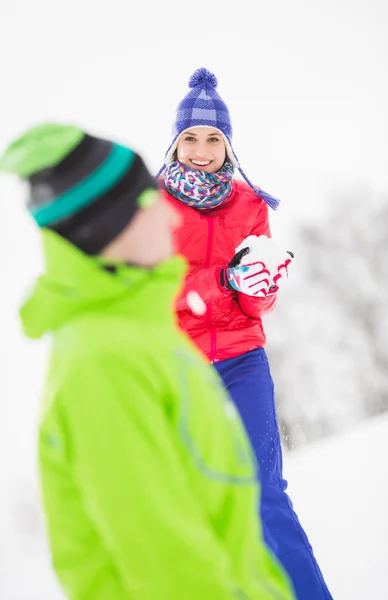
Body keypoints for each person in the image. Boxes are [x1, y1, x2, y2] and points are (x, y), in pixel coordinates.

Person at [0, 123, 294, 600]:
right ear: (109, 226)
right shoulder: (105, 364)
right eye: (150, 203)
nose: (174, 219)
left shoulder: (140, 334)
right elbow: (168, 568)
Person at [159, 68, 333, 600]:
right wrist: (222, 279)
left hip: (242, 361)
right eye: (191, 137)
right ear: (174, 142)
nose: (202, 149)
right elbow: (157, 293)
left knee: (265, 494)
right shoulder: (151, 207)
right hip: (178, 366)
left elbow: (257, 304)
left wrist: (261, 283)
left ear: (228, 145)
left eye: (214, 138)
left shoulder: (250, 205)